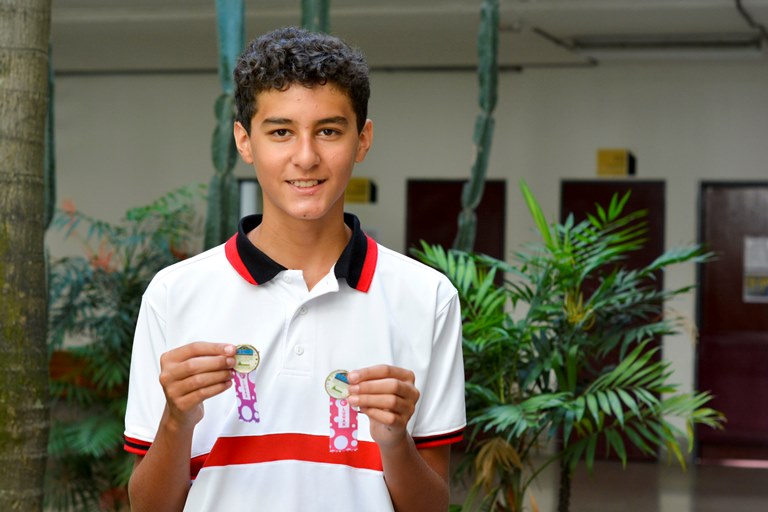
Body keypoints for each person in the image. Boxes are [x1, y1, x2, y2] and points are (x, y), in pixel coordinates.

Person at [124, 26, 465, 512]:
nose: (305, 157)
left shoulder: (427, 297)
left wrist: (393, 441)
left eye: (328, 130)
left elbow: (431, 506)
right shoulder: (174, 294)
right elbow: (148, 507)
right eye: (281, 131)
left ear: (362, 139)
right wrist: (177, 421)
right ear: (245, 140)